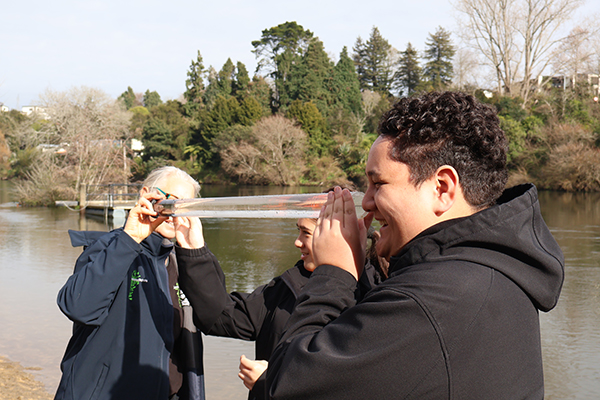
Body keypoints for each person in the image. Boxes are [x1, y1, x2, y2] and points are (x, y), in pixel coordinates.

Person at [263, 91, 565, 399]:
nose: (366, 203)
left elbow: (284, 387)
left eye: (378, 184)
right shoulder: (498, 270)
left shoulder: (430, 301)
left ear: (441, 188)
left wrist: (333, 274)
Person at [173, 193, 382, 400]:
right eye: (297, 231)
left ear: (331, 236)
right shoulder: (289, 286)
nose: (297, 242)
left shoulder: (375, 298)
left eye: (305, 233)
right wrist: (194, 251)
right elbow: (221, 316)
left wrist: (268, 382)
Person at [55, 166, 205, 400]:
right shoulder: (110, 247)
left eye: (186, 206)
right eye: (171, 202)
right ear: (146, 194)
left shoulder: (180, 262)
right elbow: (77, 306)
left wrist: (198, 255)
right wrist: (131, 238)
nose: (175, 213)